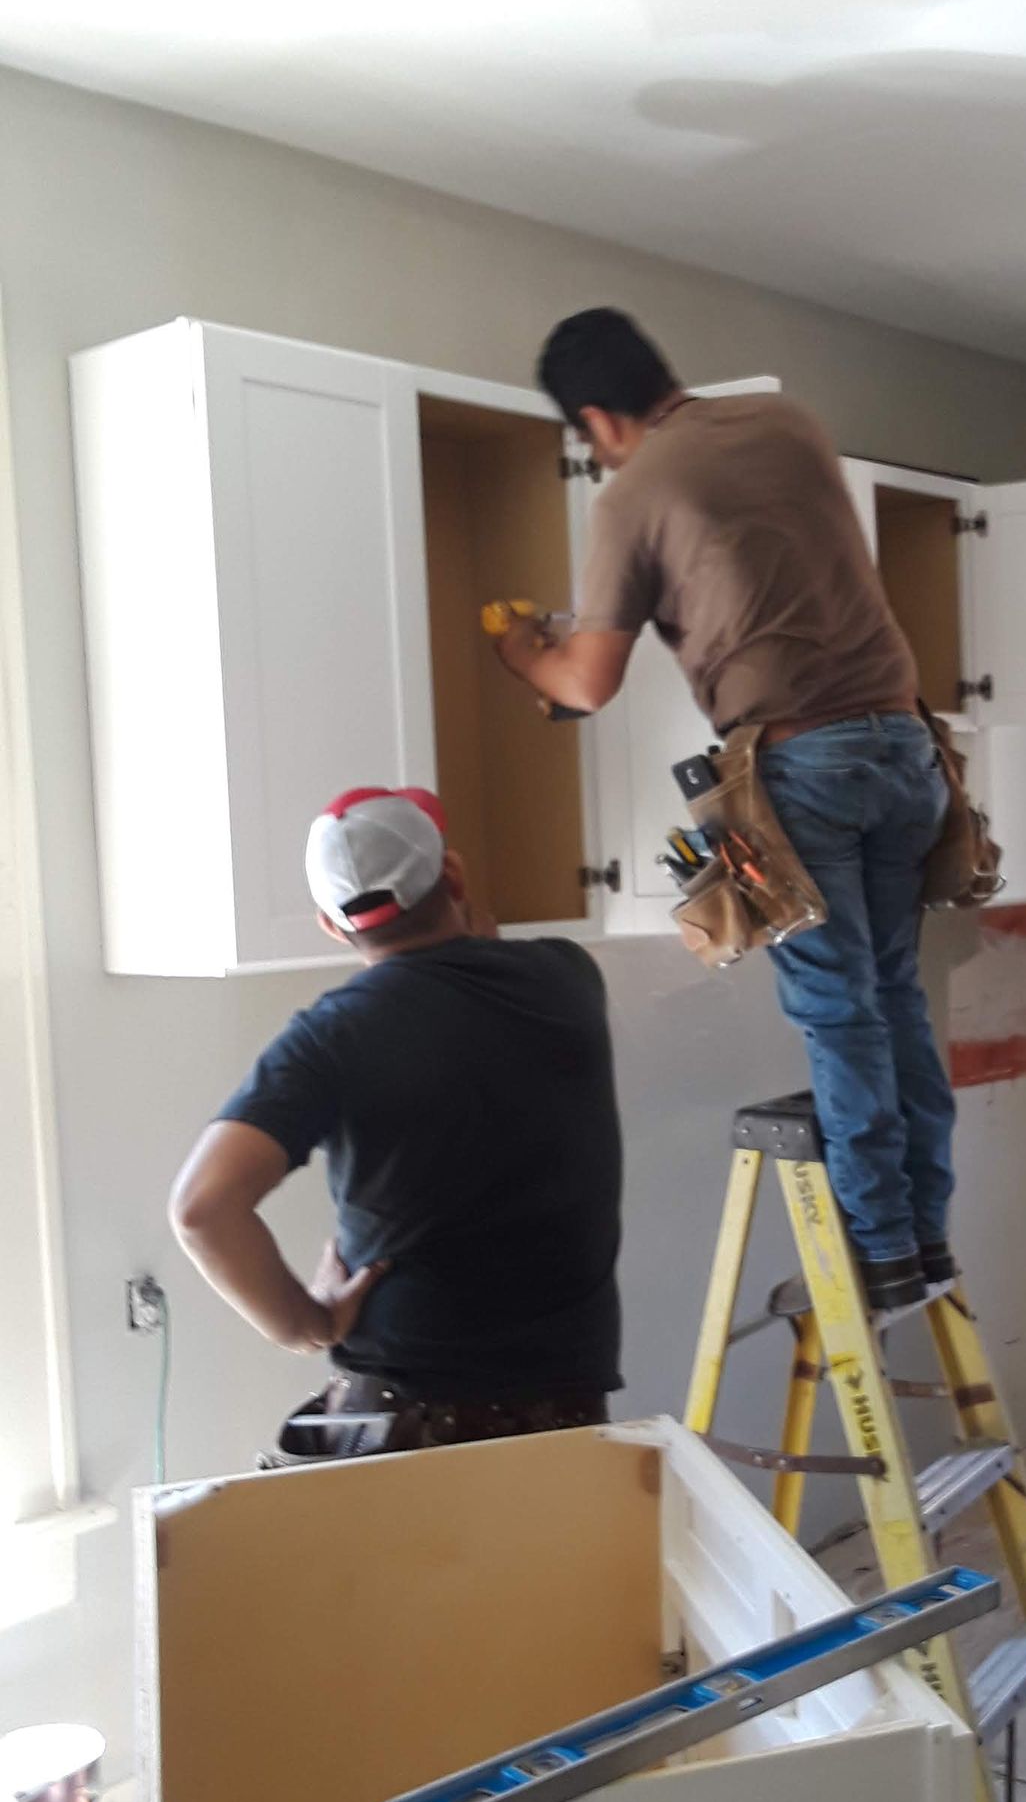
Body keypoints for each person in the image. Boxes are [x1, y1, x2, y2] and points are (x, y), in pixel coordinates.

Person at [494, 306, 953, 1316]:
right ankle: (924, 1236)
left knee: (841, 1014)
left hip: (804, 766)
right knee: (892, 998)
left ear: (596, 420)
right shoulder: (787, 424)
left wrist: (524, 651)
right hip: (906, 746)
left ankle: (881, 1254)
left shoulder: (632, 494)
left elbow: (587, 683)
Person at [169, 787, 623, 1457]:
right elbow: (475, 983)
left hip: (407, 1422)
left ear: (331, 926)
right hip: (566, 1415)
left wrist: (306, 1323)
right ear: (455, 876)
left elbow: (202, 1209)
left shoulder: (331, 1036)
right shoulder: (570, 977)